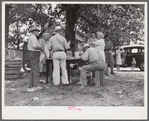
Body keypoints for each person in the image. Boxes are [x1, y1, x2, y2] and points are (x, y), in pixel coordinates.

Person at [27, 26, 43, 92]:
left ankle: (32, 85)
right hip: (34, 54)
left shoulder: (32, 37)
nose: (38, 33)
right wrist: (41, 48)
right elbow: (35, 46)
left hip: (33, 53)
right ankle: (35, 86)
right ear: (34, 32)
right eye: (37, 31)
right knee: (36, 69)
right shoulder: (33, 37)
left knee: (33, 70)